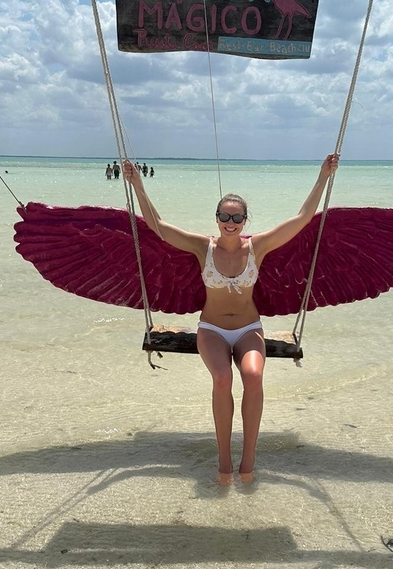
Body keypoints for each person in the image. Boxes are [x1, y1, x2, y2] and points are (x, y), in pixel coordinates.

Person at [123, 153, 339, 485]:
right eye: (224, 215)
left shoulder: (259, 247)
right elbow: (158, 226)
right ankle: (224, 460)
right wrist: (137, 184)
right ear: (217, 218)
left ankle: (248, 459)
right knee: (222, 379)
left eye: (236, 217)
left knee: (253, 376)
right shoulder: (202, 247)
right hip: (211, 330)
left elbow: (303, 218)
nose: (230, 222)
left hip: (248, 329)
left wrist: (323, 176)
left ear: (245, 220)